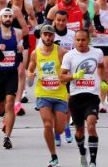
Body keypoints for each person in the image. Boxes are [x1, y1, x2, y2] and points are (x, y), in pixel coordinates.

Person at [60, 30, 107, 167]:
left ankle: (93, 161)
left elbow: (101, 66)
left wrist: (102, 80)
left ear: (88, 40)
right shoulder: (69, 56)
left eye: (83, 40)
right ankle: (82, 151)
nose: (80, 43)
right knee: (79, 132)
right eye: (78, 40)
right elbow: (62, 77)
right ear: (74, 41)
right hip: (75, 97)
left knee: (91, 126)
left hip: (91, 96)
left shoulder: (97, 53)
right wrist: (74, 76)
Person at [27, 24, 68, 167]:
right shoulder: (35, 53)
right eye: (45, 34)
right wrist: (30, 75)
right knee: (47, 124)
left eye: (50, 35)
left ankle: (63, 127)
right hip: (43, 93)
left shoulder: (61, 52)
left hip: (59, 94)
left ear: (54, 36)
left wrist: (66, 77)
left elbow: (69, 70)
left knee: (59, 129)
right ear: (41, 36)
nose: (48, 37)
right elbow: (29, 69)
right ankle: (53, 156)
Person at [0, 7, 24, 149]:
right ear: (0, 19)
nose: (8, 18)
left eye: (10, 16)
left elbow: (19, 55)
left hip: (11, 73)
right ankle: (4, 117)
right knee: (0, 107)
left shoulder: (18, 33)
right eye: (5, 16)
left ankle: (7, 137)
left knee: (10, 102)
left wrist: (19, 52)